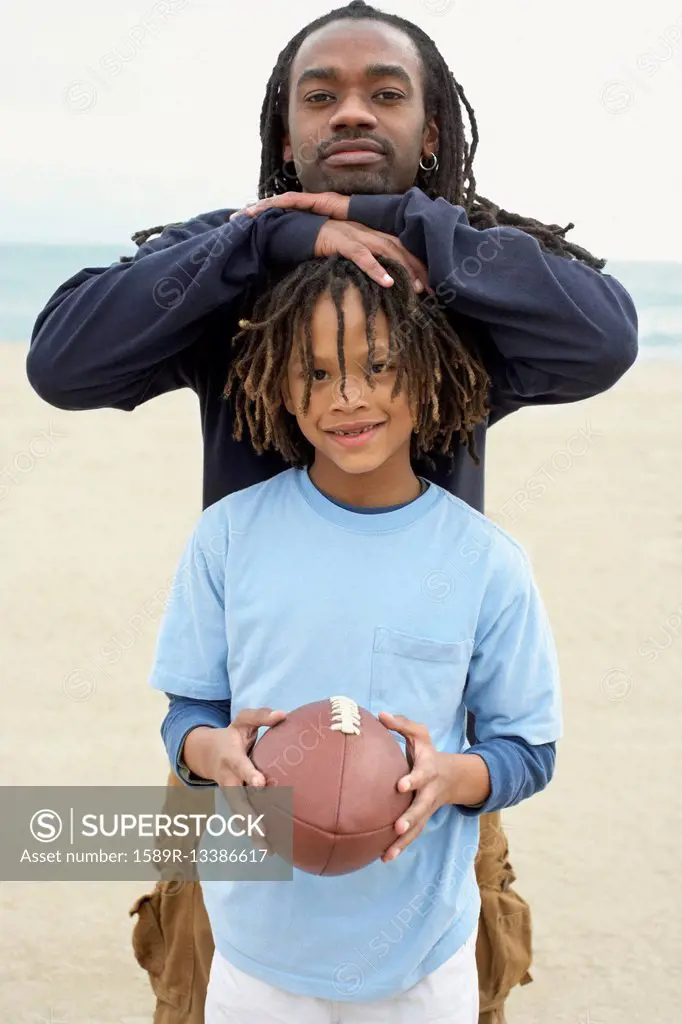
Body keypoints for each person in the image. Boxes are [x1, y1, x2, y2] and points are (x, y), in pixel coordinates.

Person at [25, 3, 637, 1021]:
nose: (352, 110)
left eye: (386, 93)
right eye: (322, 95)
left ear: (430, 130)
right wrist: (267, 239)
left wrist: (397, 227)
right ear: (285, 134)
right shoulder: (233, 272)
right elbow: (60, 360)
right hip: (245, 767)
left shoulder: (460, 289)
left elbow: (606, 337)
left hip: (420, 773)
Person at [150, 252, 562, 1024]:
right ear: (282, 385)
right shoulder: (229, 537)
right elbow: (188, 713)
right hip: (255, 947)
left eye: (377, 366)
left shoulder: (487, 561)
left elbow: (528, 752)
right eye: (315, 372)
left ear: (426, 372)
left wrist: (450, 776)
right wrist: (217, 754)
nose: (348, 398)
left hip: (421, 957)